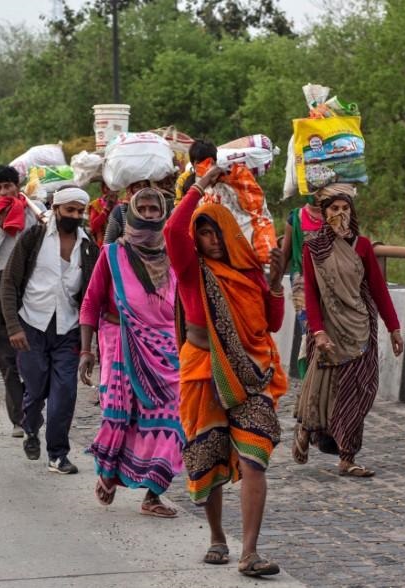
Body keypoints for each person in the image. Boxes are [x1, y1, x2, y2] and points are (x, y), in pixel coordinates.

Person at [165, 165, 287, 578]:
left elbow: (272, 323)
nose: (211, 240)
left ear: (230, 233)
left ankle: (249, 552)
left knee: (255, 458)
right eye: (203, 233)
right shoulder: (190, 270)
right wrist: (201, 185)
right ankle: (217, 536)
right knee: (209, 459)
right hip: (202, 372)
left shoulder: (250, 272)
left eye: (217, 232)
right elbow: (171, 231)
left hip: (252, 373)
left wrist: (275, 284)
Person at [79, 187, 184, 517]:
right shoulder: (112, 254)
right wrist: (86, 350)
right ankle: (108, 471)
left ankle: (152, 493)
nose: (151, 214)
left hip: (165, 348)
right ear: (134, 214)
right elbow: (91, 301)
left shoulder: (175, 256)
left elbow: (183, 304)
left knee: (171, 418)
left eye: (157, 209)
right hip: (118, 341)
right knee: (119, 413)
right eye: (146, 209)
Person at [292, 184, 404, 476]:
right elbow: (312, 294)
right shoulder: (313, 247)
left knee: (362, 389)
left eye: (345, 208)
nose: (340, 214)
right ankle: (333, 447)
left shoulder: (363, 245)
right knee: (326, 390)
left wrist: (393, 327)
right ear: (324, 213)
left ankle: (343, 450)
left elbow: (378, 289)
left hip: (360, 327)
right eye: (334, 209)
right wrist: (317, 331)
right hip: (329, 329)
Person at [0, 186, 99, 474]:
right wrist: (14, 327)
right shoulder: (34, 238)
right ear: (56, 209)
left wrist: (87, 345)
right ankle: (30, 427)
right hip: (31, 326)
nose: (75, 216)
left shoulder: (87, 246)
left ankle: (58, 454)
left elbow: (90, 298)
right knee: (36, 387)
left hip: (68, 328)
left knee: (65, 392)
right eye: (69, 210)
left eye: (80, 212)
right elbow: (9, 283)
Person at [0, 165, 42, 438]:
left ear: (18, 186)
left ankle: (34, 407)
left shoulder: (33, 210)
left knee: (34, 353)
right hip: (0, 283)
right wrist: (2, 228)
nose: (3, 192)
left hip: (31, 284)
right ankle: (19, 418)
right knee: (7, 357)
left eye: (8, 187)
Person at [281, 194, 324, 378]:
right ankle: (310, 377)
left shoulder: (336, 215)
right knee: (311, 332)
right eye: (314, 189)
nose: (318, 194)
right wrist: (273, 287)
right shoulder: (295, 218)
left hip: (330, 282)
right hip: (302, 284)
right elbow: (285, 254)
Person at [103, 180, 150, 244]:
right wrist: (120, 243)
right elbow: (108, 243)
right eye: (137, 186)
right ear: (129, 190)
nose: (142, 190)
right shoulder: (120, 211)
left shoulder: (154, 209)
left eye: (145, 186)